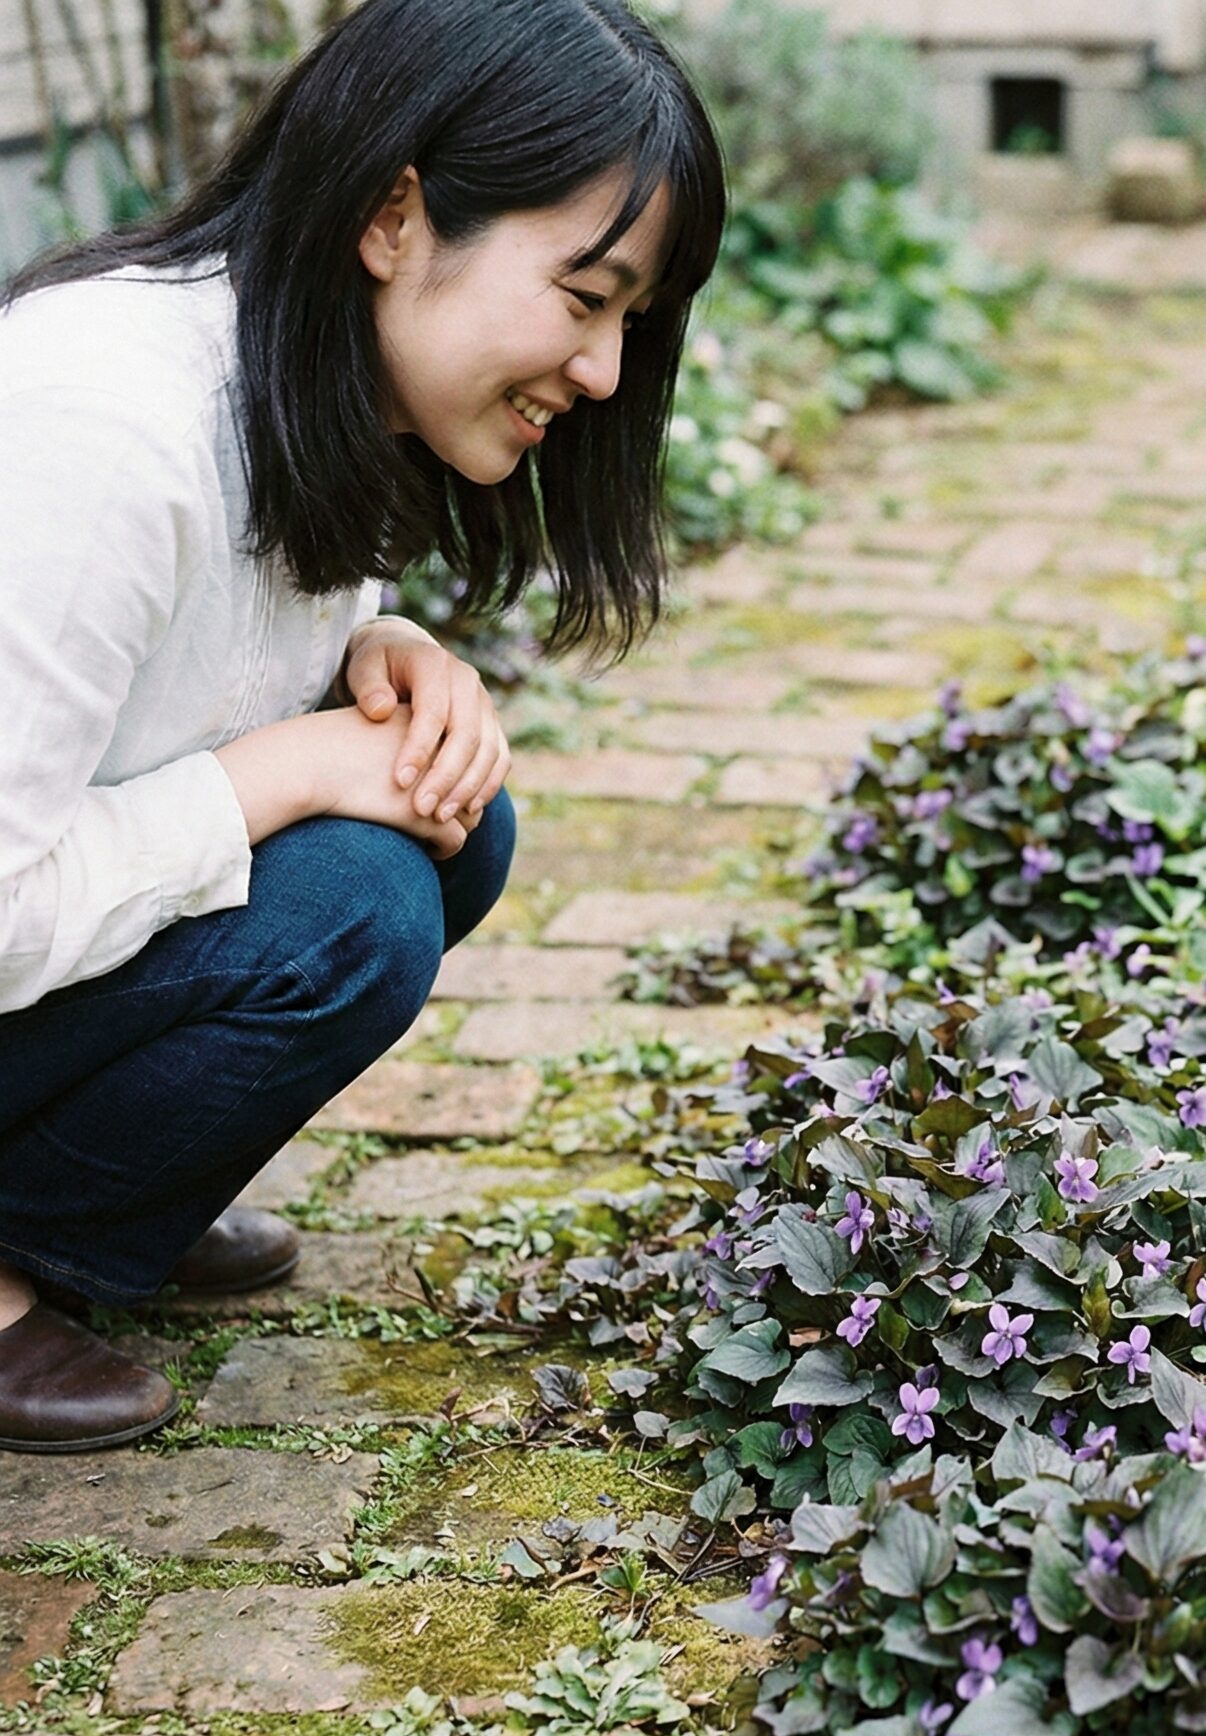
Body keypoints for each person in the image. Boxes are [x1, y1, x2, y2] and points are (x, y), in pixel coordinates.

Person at [0, 0, 725, 1451]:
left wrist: (372, 657)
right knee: (357, 901)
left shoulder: (308, 370)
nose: (600, 375)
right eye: (584, 299)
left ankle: (85, 1200)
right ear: (397, 216)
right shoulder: (103, 428)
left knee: (446, 821)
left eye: (627, 325)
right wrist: (292, 762)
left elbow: (191, 653)